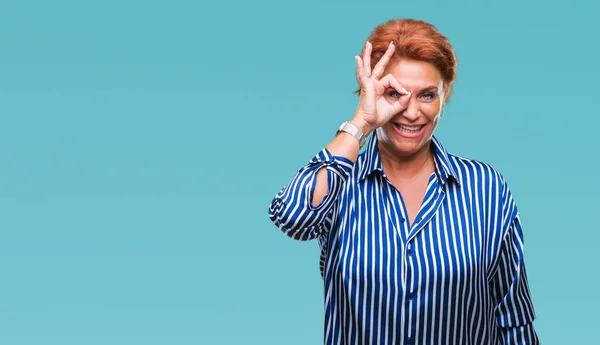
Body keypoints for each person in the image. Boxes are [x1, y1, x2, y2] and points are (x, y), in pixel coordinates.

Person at [268, 18, 539, 345]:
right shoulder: (339, 183)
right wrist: (361, 123)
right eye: (395, 93)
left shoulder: (486, 189)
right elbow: (292, 218)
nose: (411, 113)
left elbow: (514, 322)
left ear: (445, 96)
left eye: (427, 95)